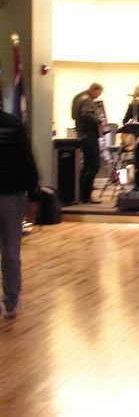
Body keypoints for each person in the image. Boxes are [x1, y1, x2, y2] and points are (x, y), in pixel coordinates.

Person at [0, 109, 39, 318]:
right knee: (12, 253)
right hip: (12, 197)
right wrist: (32, 196)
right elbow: (26, 161)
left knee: (11, 253)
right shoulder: (13, 124)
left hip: (12, 195)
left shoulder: (14, 125)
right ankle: (11, 301)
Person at [72, 82, 103, 204]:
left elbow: (74, 116)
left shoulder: (78, 97)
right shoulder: (87, 100)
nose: (98, 97)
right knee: (93, 166)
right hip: (89, 136)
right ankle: (86, 195)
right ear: (94, 90)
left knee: (85, 167)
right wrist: (99, 121)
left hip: (81, 135)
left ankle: (81, 194)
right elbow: (86, 115)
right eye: (98, 93)